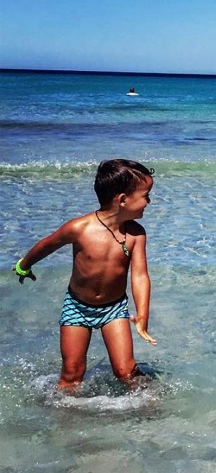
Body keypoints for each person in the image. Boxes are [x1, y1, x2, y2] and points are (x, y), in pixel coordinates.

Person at [13, 159, 157, 389]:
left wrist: (142, 315)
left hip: (114, 308)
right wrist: (25, 264)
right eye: (146, 195)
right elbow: (48, 244)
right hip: (77, 306)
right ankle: (66, 419)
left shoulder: (136, 235)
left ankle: (154, 400)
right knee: (72, 374)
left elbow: (139, 275)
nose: (149, 201)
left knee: (126, 372)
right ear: (122, 200)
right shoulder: (80, 228)